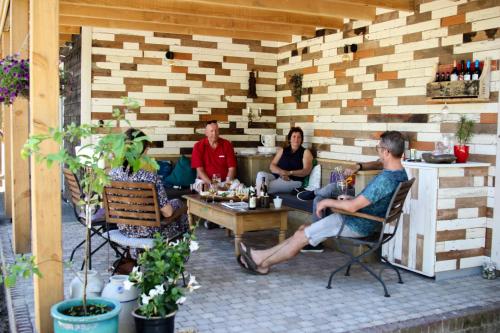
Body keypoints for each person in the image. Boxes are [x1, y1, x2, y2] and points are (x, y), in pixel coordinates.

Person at [237, 131, 408, 275]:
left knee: (302, 236)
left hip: (355, 223)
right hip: (367, 221)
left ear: (386, 152)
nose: (377, 152)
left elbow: (353, 207)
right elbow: (364, 200)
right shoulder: (400, 174)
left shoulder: (386, 179)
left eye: (378, 148)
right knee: (302, 231)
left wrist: (327, 202)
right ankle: (262, 259)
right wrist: (350, 198)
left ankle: (261, 261)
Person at [109, 128, 189, 240]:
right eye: (146, 147)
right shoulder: (150, 177)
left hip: (124, 229)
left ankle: (135, 253)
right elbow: (167, 212)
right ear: (142, 150)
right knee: (179, 204)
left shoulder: (112, 175)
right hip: (151, 233)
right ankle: (182, 249)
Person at [298, 160, 383, 253]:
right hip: (357, 190)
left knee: (331, 188)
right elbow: (377, 163)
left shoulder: (388, 174)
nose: (379, 148)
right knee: (318, 199)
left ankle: (314, 192)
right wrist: (357, 167)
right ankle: (316, 244)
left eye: (379, 147)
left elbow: (379, 164)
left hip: (360, 195)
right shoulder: (389, 166)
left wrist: (358, 167)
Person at [255, 127, 313, 195]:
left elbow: (306, 171)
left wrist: (289, 173)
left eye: (299, 137)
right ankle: (260, 197)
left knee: (264, 186)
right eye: (294, 136)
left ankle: (258, 198)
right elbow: (272, 165)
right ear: (290, 139)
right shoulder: (283, 150)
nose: (296, 139)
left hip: (293, 181)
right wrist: (281, 172)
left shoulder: (305, 152)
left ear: (301, 139)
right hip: (277, 176)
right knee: (261, 174)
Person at [191, 120, 238, 192]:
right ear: (206, 133)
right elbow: (200, 171)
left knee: (239, 188)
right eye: (212, 131)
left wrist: (227, 185)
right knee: (203, 188)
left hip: (225, 182)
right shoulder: (198, 146)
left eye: (216, 131)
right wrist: (212, 184)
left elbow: (232, 168)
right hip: (206, 182)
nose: (215, 133)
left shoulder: (227, 144)